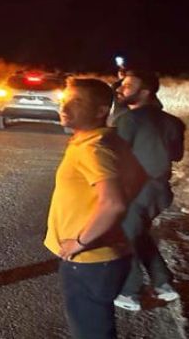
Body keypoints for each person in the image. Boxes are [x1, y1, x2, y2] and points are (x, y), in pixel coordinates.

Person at [46, 78, 145, 339]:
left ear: (101, 110)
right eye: (63, 99)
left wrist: (79, 242)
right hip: (104, 256)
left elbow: (114, 203)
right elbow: (139, 177)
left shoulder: (94, 148)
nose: (64, 107)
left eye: (76, 101)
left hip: (90, 259)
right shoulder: (104, 140)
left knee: (90, 332)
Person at [111, 70, 186, 311]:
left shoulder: (129, 120)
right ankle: (163, 284)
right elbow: (176, 155)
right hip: (160, 192)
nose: (122, 89)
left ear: (145, 92)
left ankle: (129, 292)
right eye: (122, 84)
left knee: (124, 237)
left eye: (128, 85)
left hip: (135, 190)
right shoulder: (173, 123)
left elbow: (115, 156)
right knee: (139, 234)